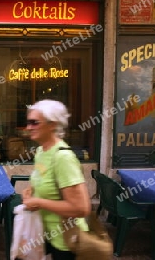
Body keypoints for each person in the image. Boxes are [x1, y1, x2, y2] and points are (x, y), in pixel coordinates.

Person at [22, 99, 90, 259]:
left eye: (34, 123)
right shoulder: (41, 151)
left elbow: (81, 208)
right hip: (46, 235)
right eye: (28, 122)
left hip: (67, 243)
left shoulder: (63, 157)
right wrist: (30, 192)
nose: (28, 127)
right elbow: (41, 180)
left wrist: (38, 203)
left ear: (52, 124)